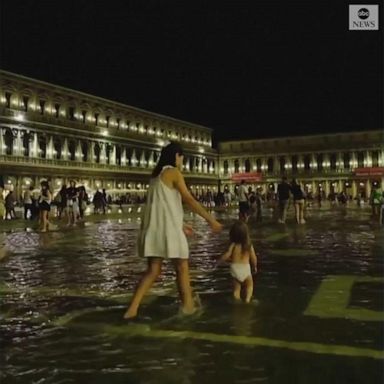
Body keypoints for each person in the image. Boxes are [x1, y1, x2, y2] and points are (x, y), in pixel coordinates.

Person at [124, 142, 223, 319]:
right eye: (181, 156)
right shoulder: (174, 173)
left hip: (154, 229)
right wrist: (211, 220)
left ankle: (132, 309)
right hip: (168, 230)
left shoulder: (155, 176)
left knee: (153, 271)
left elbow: (163, 205)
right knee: (182, 267)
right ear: (176, 156)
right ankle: (188, 307)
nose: (182, 160)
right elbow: (189, 200)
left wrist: (181, 223)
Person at [218, 220, 257, 303]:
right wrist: (254, 267)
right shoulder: (249, 245)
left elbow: (227, 255)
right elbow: (254, 258)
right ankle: (248, 299)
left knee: (236, 289)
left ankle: (237, 300)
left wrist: (220, 260)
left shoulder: (233, 245)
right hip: (246, 268)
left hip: (235, 268)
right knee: (250, 285)